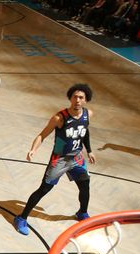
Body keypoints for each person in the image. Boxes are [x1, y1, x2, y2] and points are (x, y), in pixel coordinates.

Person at [13, 83, 96, 236]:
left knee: (85, 186)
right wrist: (33, 149)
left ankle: (82, 213)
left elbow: (85, 132)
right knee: (44, 189)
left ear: (86, 100)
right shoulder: (59, 118)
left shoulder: (88, 114)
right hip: (59, 160)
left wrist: (89, 151)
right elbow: (42, 135)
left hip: (77, 158)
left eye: (81, 98)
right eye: (75, 97)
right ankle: (21, 217)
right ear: (70, 98)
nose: (77, 100)